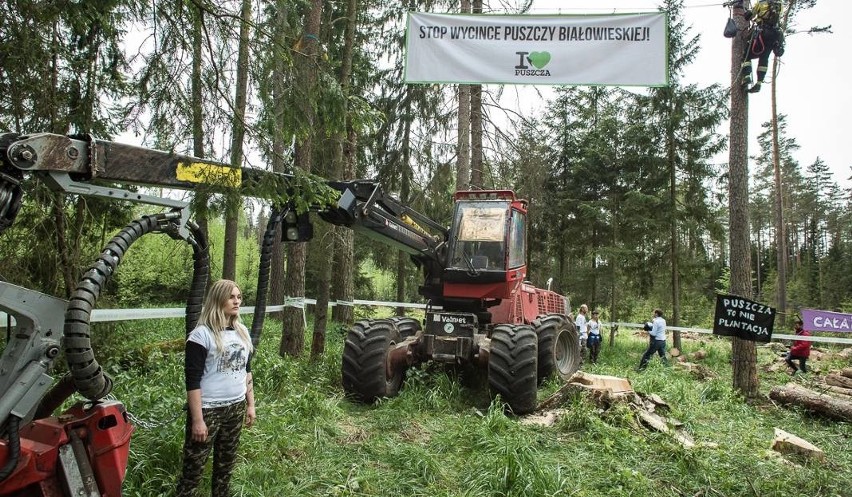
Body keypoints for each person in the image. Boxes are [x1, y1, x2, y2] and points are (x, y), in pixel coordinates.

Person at [177, 279, 256, 497]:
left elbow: (246, 371)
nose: (237, 301)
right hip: (208, 410)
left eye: (239, 296)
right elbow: (192, 381)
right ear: (218, 299)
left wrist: (251, 405)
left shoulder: (242, 332)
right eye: (231, 296)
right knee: (193, 469)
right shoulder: (201, 335)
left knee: (225, 467)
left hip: (235, 407)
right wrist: (198, 420)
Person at [740, 0, 785, 93]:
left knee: (746, 55)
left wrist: (746, 11)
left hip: (762, 33)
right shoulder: (780, 4)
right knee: (764, 58)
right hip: (774, 36)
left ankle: (746, 77)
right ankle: (759, 83)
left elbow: (748, 16)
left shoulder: (761, 3)